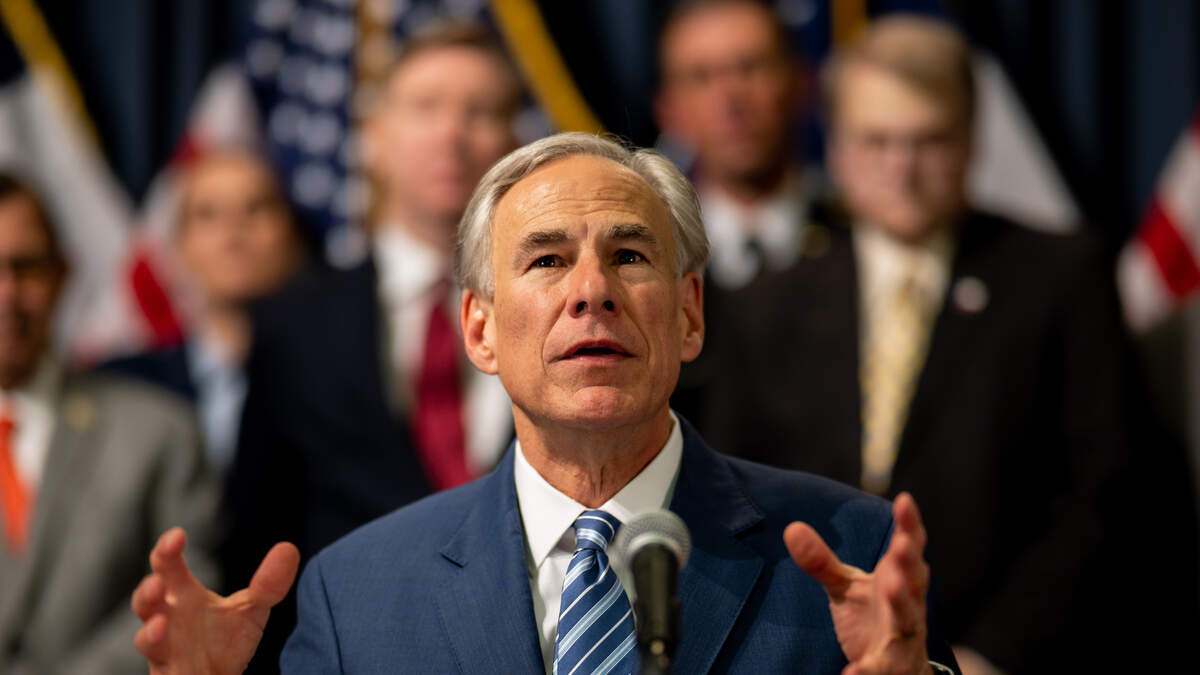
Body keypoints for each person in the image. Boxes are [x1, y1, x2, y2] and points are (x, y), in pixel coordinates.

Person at [130, 132, 959, 674]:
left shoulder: (851, 552)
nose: (591, 291)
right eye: (547, 260)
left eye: (629, 255)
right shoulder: (357, 595)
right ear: (479, 330)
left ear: (689, 314)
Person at [686, 15, 1197, 673]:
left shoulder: (1062, 278)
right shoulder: (763, 303)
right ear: (835, 147)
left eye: (928, 140)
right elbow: (732, 497)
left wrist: (983, 655)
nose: (901, 168)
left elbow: (1103, 492)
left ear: (971, 142)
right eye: (876, 141)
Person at [224, 22, 521, 671]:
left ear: (515, 143)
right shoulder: (293, 321)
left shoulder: (563, 311)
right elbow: (257, 536)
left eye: (480, 111)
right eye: (426, 108)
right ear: (374, 136)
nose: (451, 134)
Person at [0, 172, 221, 672]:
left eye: (25, 267)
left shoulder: (160, 433)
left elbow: (189, 589)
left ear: (62, 274)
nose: (7, 294)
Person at [101, 149, 306, 474]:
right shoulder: (123, 386)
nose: (233, 233)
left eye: (255, 208)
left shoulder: (343, 376)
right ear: (179, 245)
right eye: (208, 215)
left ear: (292, 236)